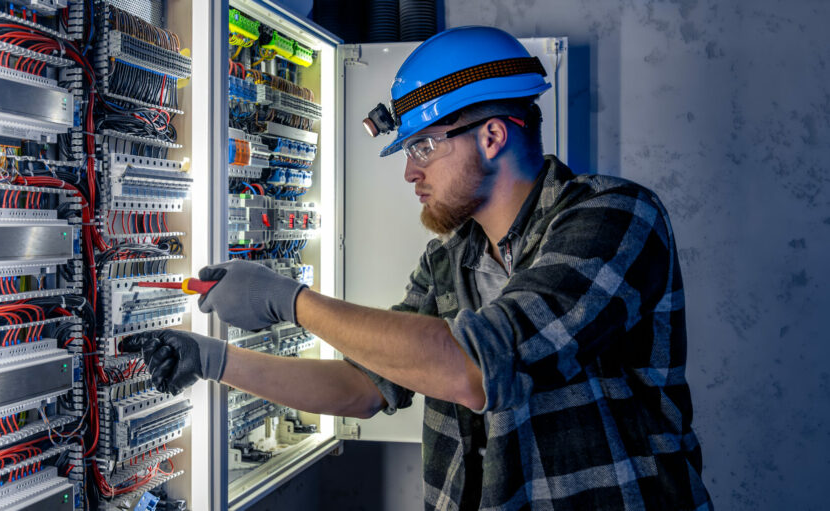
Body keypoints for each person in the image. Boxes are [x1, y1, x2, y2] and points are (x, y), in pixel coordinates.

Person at [122, 26, 713, 511]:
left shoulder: (614, 217)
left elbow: (477, 369)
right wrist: (214, 359)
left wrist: (291, 301)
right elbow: (363, 386)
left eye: (423, 147)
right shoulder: (450, 259)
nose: (410, 172)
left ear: (491, 136)